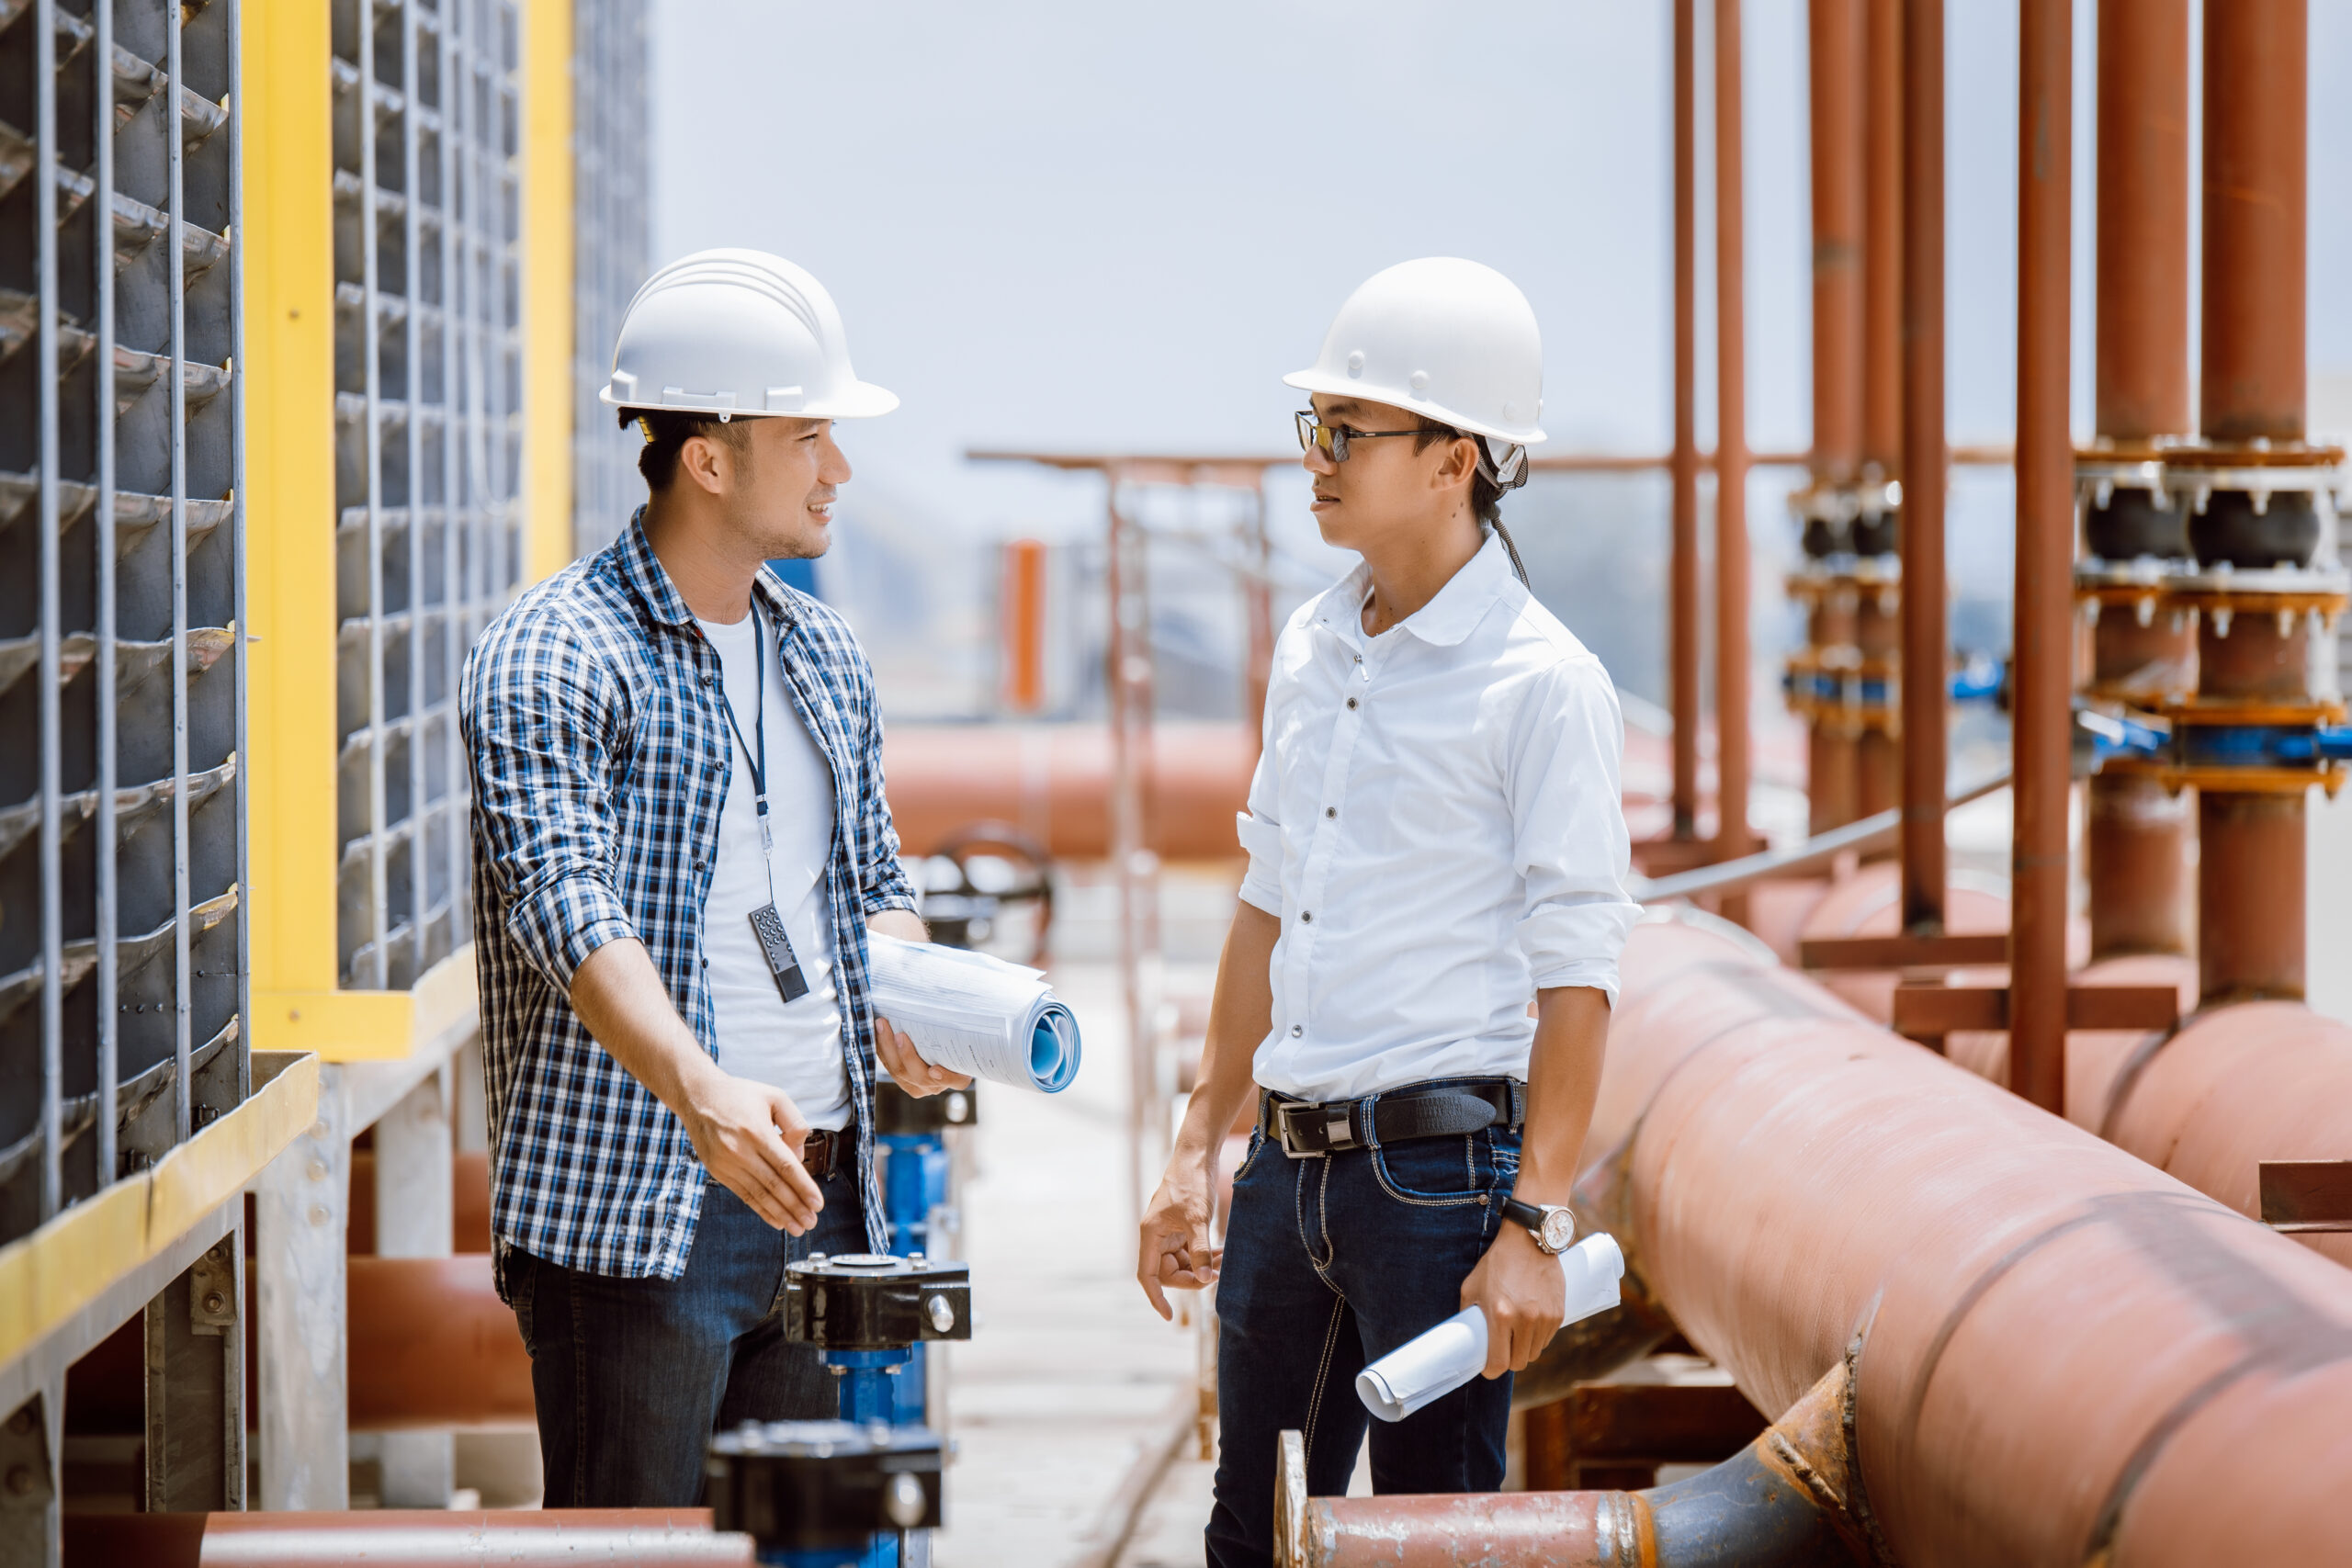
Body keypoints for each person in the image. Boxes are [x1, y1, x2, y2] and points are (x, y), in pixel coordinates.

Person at [1135, 257, 1638, 1566]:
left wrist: (1536, 1224)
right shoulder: (1314, 649)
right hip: (1287, 1173)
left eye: (1349, 432)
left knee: (1440, 1547)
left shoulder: (1543, 686)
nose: (1318, 458)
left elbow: (1579, 973)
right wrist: (1200, 1139)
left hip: (1438, 1188)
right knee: (1249, 1539)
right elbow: (1266, 903)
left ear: (1452, 458)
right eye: (1319, 429)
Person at [459, 249, 970, 1506]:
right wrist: (704, 1097)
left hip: (816, 1191)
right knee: (632, 1549)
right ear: (710, 457)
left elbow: (868, 879)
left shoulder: (824, 655)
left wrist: (914, 1001)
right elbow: (563, 905)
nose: (839, 471)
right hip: (641, 1213)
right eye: (811, 439)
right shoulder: (555, 651)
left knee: (800, 1546)